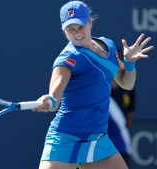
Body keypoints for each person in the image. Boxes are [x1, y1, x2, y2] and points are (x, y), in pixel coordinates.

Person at [32, 1, 154, 169]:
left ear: (90, 22)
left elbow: (126, 83)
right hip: (65, 139)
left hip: (97, 139)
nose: (76, 33)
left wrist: (129, 63)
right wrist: (49, 100)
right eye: (70, 29)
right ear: (64, 30)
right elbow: (54, 96)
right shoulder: (67, 59)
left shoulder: (109, 47)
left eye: (80, 26)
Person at [108, 48, 136, 167]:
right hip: (99, 146)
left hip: (122, 145)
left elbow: (129, 115)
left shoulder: (129, 90)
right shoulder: (98, 86)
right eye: (114, 59)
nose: (117, 63)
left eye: (120, 60)